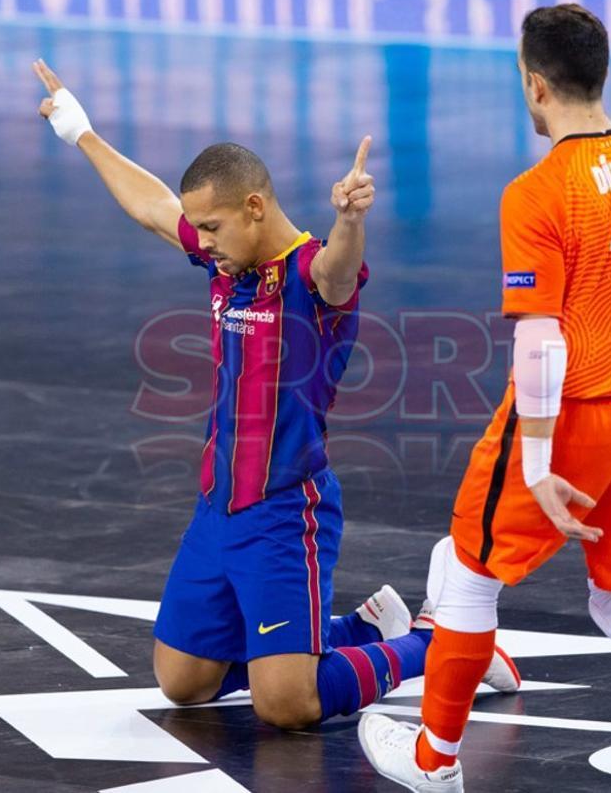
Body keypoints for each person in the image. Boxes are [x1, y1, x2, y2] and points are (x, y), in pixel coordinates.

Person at [358, 5, 611, 793]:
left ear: (536, 85)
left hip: (570, 416)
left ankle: (435, 762)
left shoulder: (539, 193)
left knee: (468, 573)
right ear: (602, 74)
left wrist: (542, 459)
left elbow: (542, 342)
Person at [32, 60, 517, 731]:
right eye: (199, 230)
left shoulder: (310, 279)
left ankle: (441, 642)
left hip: (285, 511)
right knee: (182, 684)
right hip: (217, 506)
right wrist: (79, 131)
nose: (199, 243)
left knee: (285, 705)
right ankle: (364, 625)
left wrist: (349, 221)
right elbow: (153, 208)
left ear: (254, 208)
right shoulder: (225, 258)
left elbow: (340, 271)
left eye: (211, 229)